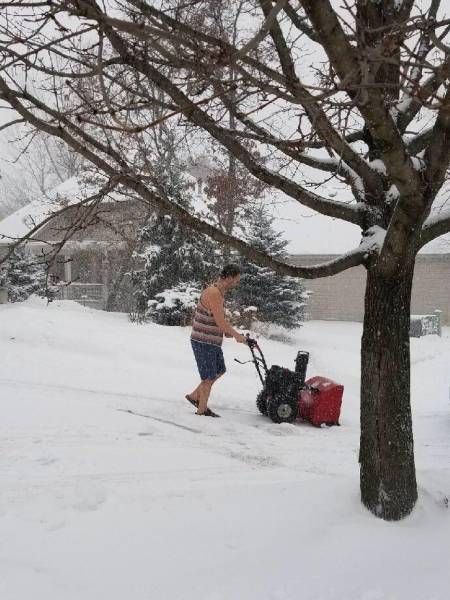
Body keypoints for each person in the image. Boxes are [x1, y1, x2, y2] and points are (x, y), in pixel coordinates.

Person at [186, 264, 247, 417]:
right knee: (208, 377)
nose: (237, 283)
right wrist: (236, 335)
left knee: (219, 370)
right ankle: (202, 411)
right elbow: (220, 321)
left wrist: (225, 332)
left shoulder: (219, 292)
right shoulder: (213, 293)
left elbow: (216, 319)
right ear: (229, 277)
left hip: (211, 341)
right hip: (203, 341)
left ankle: (195, 396)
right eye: (236, 280)